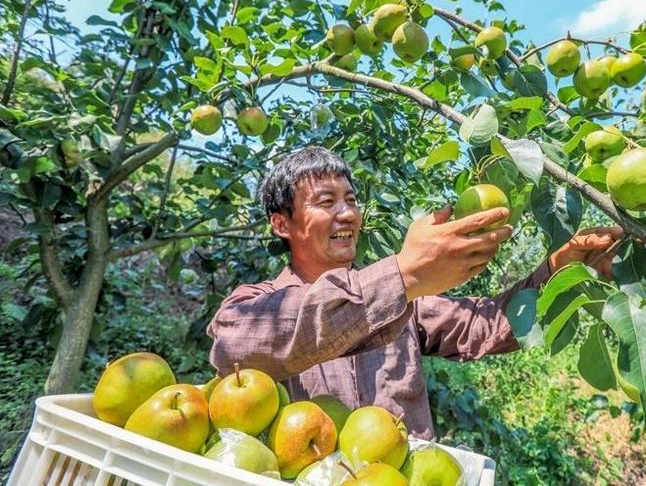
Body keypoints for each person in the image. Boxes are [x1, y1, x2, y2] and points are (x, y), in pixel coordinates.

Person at [207, 146, 622, 440]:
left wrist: (557, 270)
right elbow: (237, 348)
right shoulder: (253, 304)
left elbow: (491, 325)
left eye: (351, 199)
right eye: (326, 201)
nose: (348, 212)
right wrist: (403, 274)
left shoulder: (407, 301)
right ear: (283, 225)